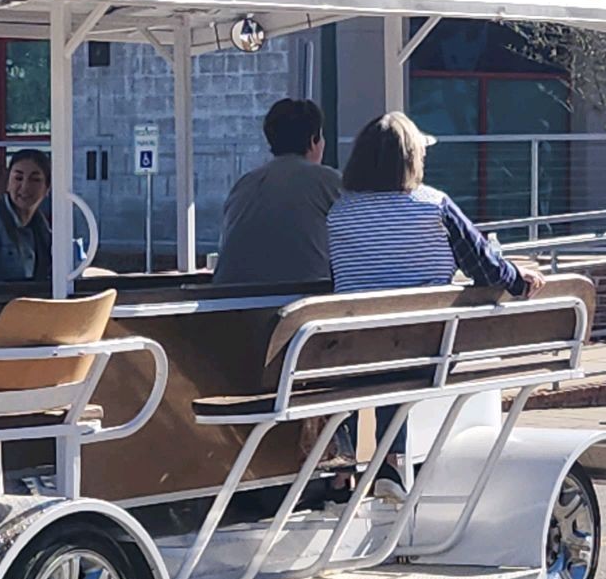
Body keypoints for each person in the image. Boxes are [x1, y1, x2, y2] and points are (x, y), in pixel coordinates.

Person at [326, 111, 544, 499]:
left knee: (379, 344)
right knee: (402, 345)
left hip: (351, 352)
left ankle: (345, 467)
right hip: (422, 351)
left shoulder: (339, 213)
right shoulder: (433, 206)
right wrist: (517, 279)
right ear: (411, 160)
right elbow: (486, 267)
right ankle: (392, 462)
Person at [213, 98, 341, 286]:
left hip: (228, 301)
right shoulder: (328, 181)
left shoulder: (244, 184)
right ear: (313, 140)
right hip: (301, 304)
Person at [0, 148, 54, 288]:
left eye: (35, 179)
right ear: (7, 183)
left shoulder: (43, 228)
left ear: (47, 188)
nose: (25, 187)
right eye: (18, 178)